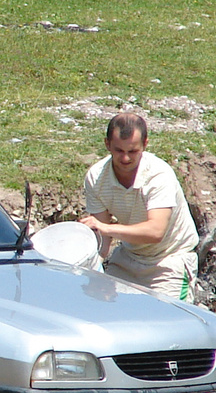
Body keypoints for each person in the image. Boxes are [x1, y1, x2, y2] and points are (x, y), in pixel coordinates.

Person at [79, 111, 199, 301]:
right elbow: (103, 240)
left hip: (168, 260)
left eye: (132, 152)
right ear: (107, 144)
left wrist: (107, 228)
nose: (125, 158)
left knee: (170, 323)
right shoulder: (96, 177)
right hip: (128, 257)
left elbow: (155, 232)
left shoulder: (158, 175)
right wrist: (92, 271)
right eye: (119, 151)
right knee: (104, 311)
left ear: (145, 145)